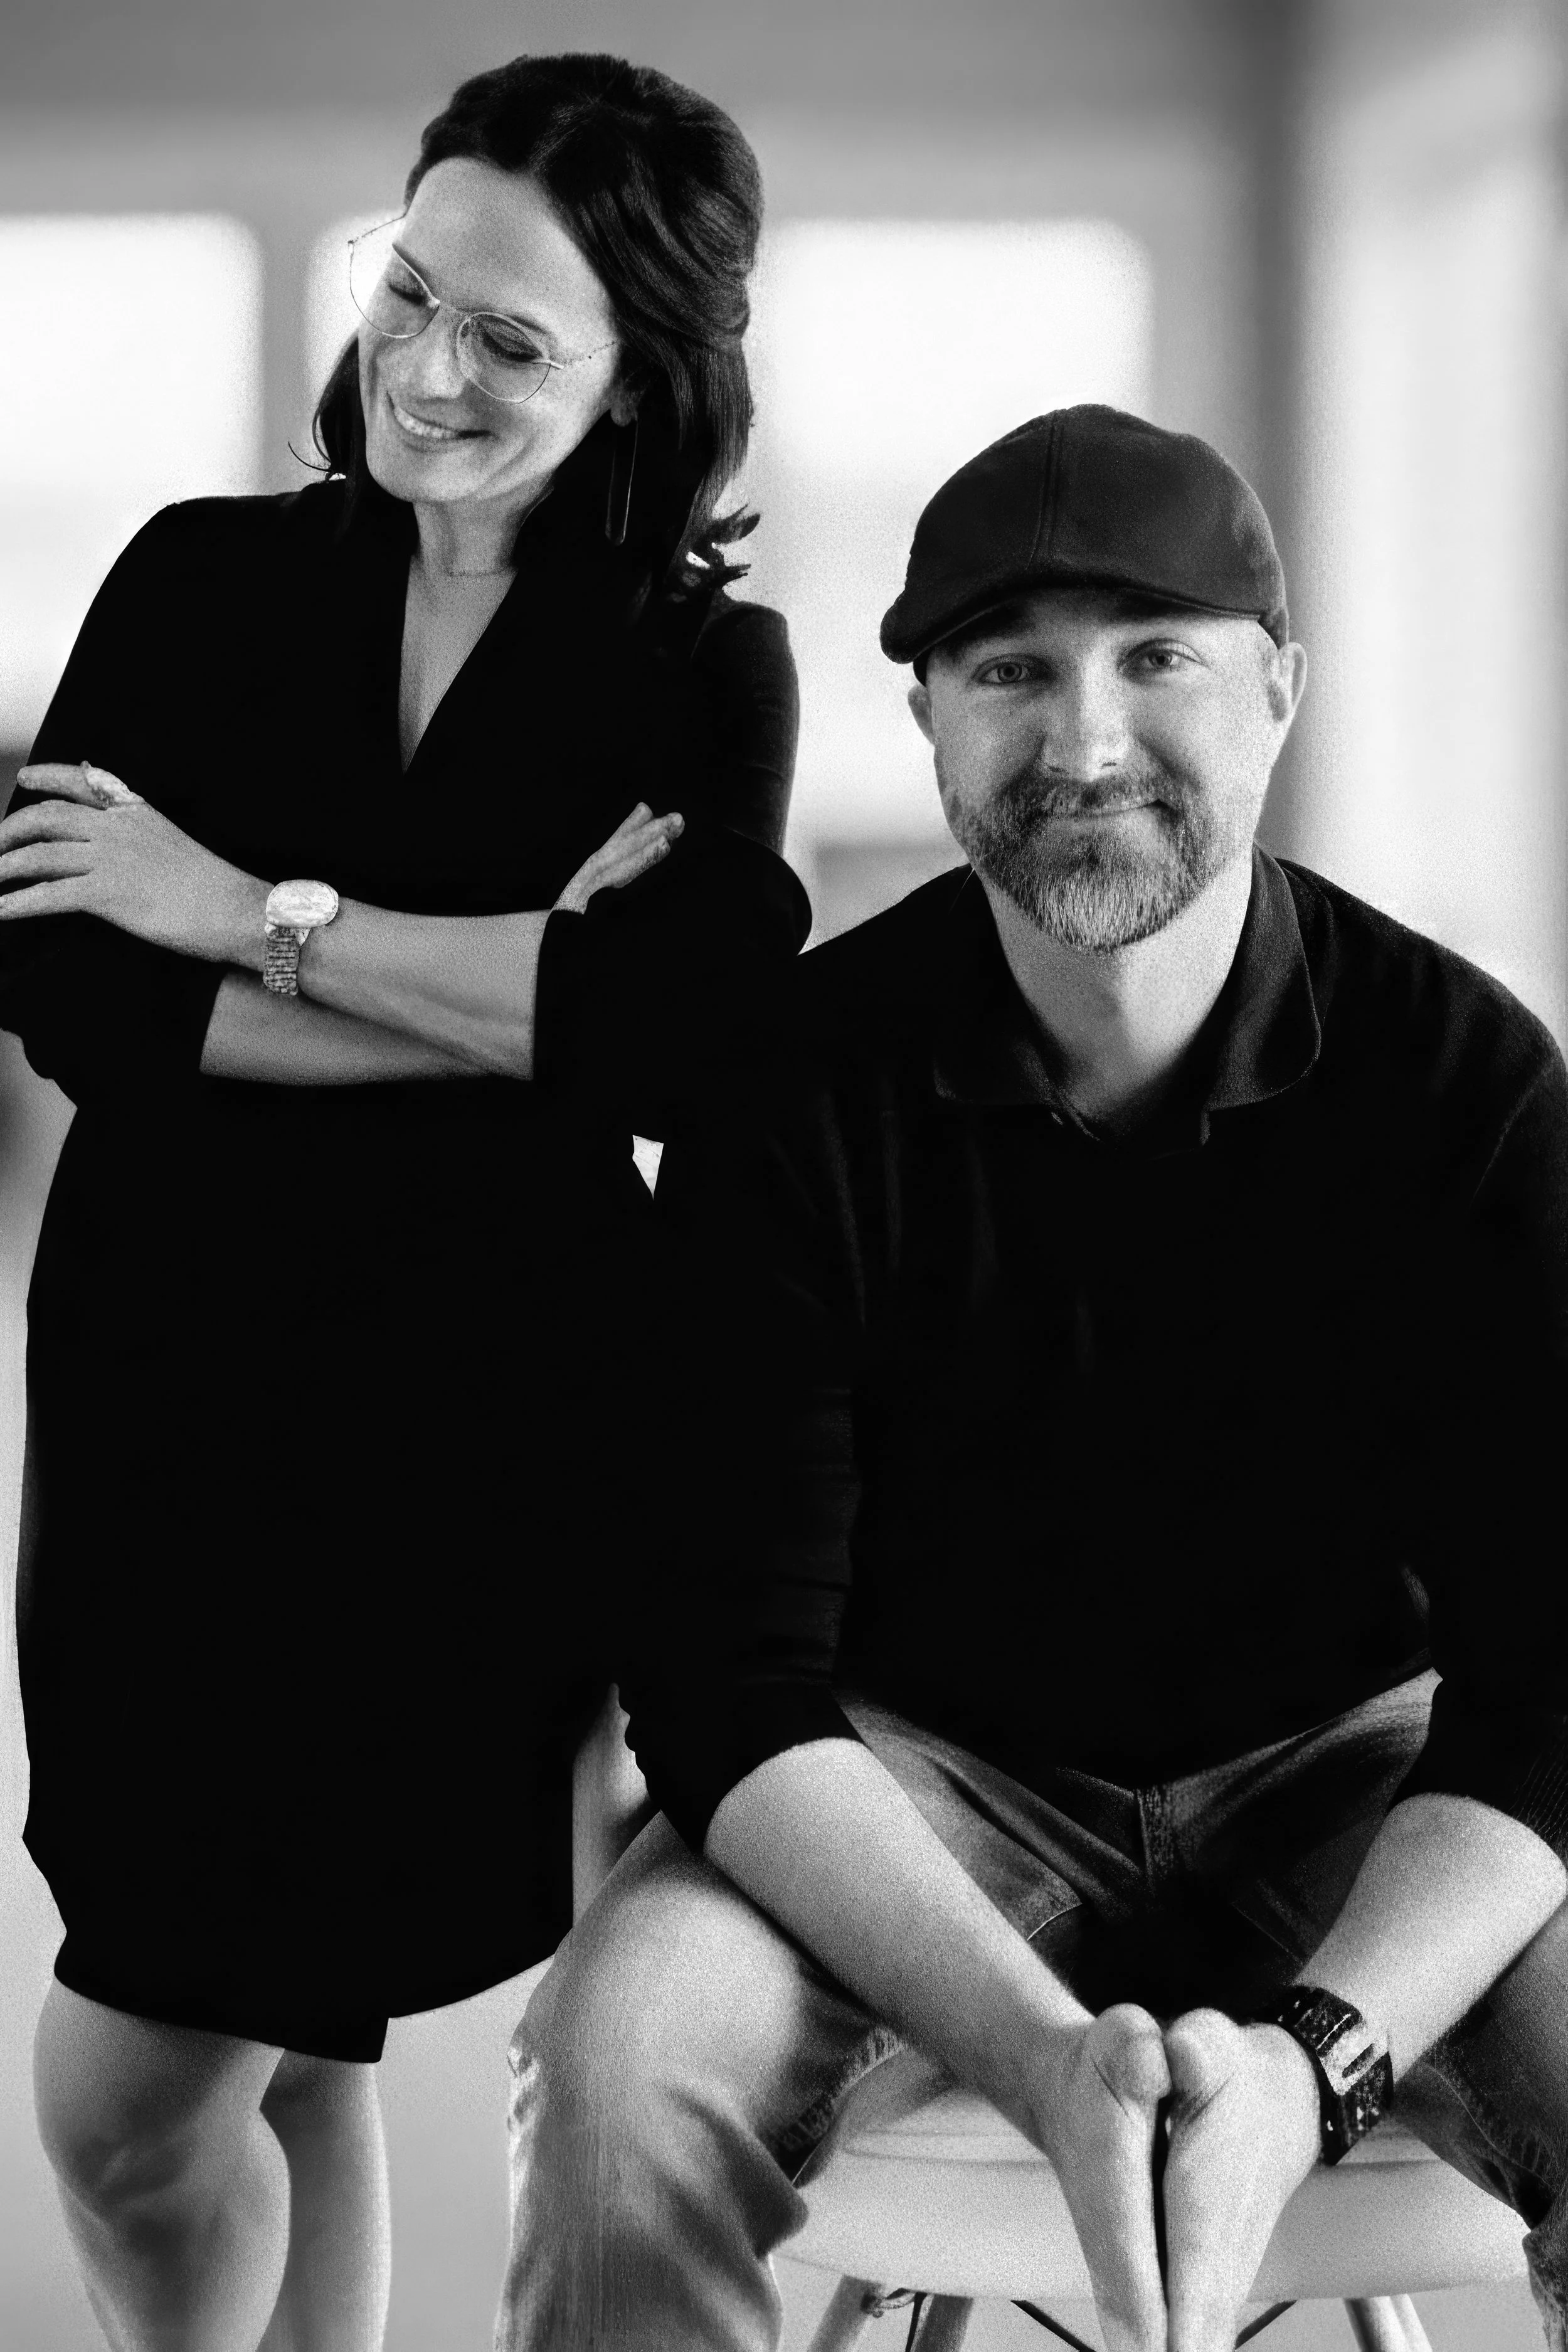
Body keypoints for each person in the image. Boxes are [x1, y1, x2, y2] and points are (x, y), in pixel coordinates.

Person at [497, 406, 1568, 2352]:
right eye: (1012, 672)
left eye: (1154, 657)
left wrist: (1316, 2059)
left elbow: (1551, 1663)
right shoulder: (792, 1087)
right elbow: (726, 1677)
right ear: (926, 720)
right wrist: (1047, 2056)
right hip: (905, 1772)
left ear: (1275, 693)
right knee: (621, 2054)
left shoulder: (1464, 1083)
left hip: (1351, 1763)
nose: (1082, 743)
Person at [0, 50, 807, 2352]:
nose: (426, 369)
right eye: (412, 291)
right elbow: (63, 979)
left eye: (514, 338)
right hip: (164, 1391)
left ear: (648, 373)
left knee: (147, 2078)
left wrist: (241, 904)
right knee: (256, 2027)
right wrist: (502, 982)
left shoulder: (694, 658)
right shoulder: (203, 573)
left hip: (474, 1428)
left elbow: (681, 1035)